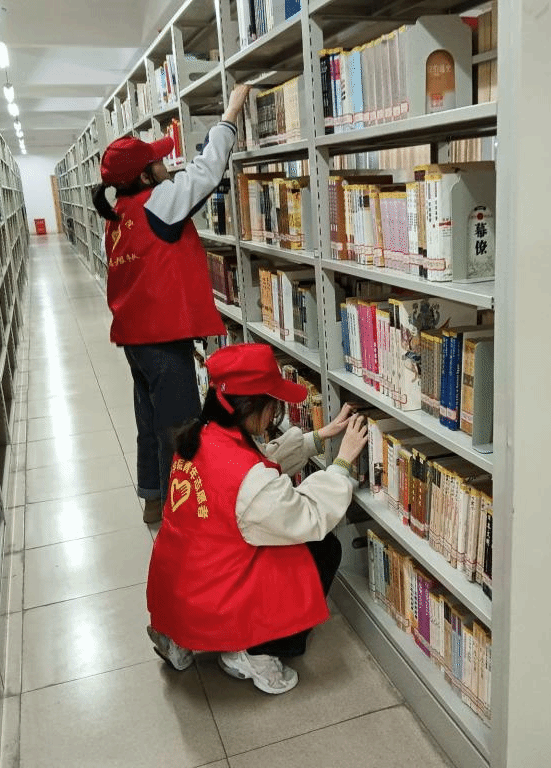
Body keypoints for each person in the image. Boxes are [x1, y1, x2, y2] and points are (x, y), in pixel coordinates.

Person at [145, 343, 369, 694]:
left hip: (180, 593)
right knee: (321, 549)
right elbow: (307, 516)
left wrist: (317, 438)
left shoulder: (201, 437)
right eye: (273, 405)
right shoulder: (248, 479)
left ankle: (180, 637)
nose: (274, 414)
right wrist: (341, 464)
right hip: (216, 597)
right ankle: (255, 652)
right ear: (252, 407)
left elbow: (258, 465)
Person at [91, 84, 251, 524]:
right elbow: (206, 172)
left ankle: (153, 499)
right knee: (180, 430)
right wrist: (230, 115)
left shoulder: (120, 214)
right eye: (159, 162)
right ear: (146, 176)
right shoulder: (158, 203)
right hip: (163, 342)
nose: (168, 166)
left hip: (135, 340)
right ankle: (181, 519)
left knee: (149, 421)